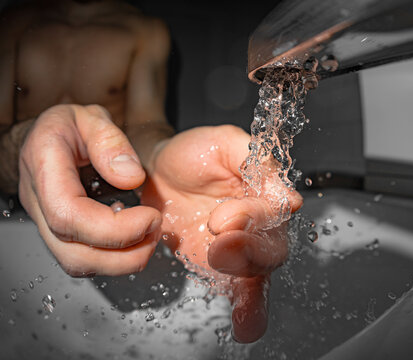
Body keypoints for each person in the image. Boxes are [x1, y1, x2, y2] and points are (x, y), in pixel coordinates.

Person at [0, 0, 302, 343]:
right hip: (16, 213)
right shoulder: (13, 23)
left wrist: (160, 157)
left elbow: (146, 127)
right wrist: (25, 147)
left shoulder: (144, 31)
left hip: (115, 206)